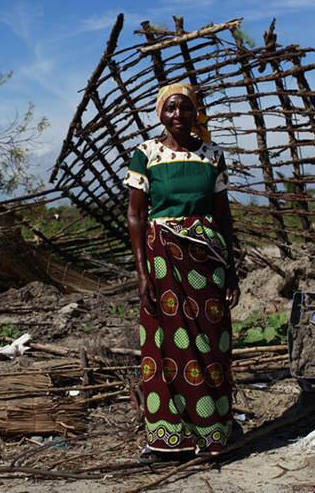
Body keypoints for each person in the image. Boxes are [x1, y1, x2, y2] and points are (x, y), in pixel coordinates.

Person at [124, 83, 240, 462]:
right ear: (160, 112)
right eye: (170, 108)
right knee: (163, 345)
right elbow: (136, 216)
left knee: (211, 345)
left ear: (195, 114)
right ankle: (168, 438)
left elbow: (223, 216)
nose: (178, 115)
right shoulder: (146, 155)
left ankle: (215, 430)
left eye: (185, 108)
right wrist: (142, 274)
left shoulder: (212, 155)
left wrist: (232, 270)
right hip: (162, 263)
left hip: (207, 264)